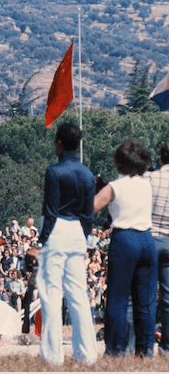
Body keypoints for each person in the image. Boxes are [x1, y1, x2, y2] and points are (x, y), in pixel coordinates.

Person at [30, 123, 97, 366]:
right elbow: (88, 215)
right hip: (78, 232)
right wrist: (83, 236)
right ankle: (87, 355)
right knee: (78, 295)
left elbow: (50, 212)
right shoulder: (87, 174)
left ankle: (52, 357)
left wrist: (39, 243)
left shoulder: (54, 171)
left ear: (58, 143)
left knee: (51, 294)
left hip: (56, 231)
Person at [94, 139, 157, 357]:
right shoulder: (147, 183)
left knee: (118, 298)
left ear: (119, 162)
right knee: (145, 301)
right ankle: (144, 351)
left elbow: (91, 207)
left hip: (124, 238)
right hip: (147, 238)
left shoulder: (115, 187)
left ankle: (116, 350)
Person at [150, 142, 169, 355]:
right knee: (168, 298)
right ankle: (166, 348)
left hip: (151, 238)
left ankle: (145, 346)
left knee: (146, 296)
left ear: (161, 157)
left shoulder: (151, 178)